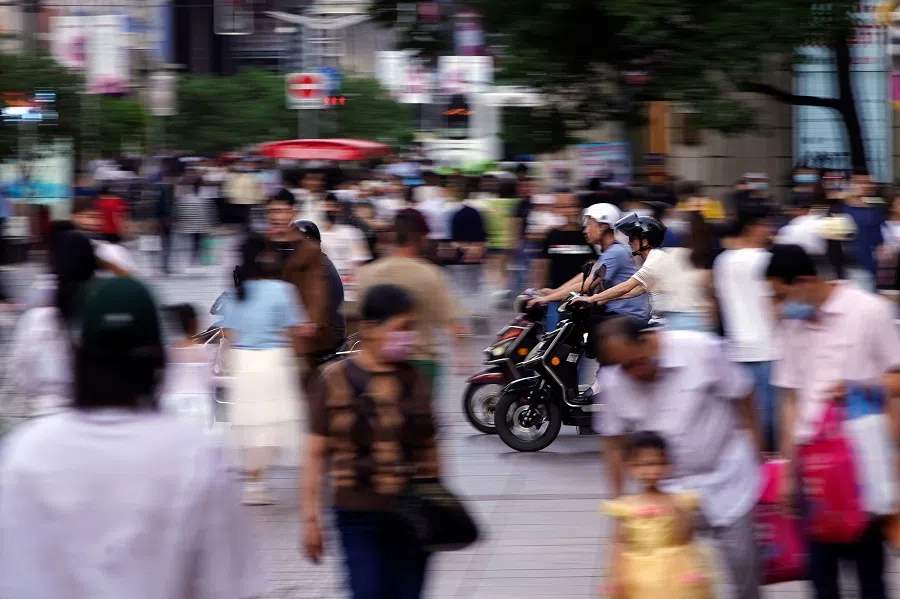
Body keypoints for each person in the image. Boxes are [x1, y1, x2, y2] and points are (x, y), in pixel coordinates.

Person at [0, 276, 263, 599]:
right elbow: (229, 584)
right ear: (158, 358)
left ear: (75, 354)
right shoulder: (196, 454)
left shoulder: (25, 456)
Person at [767, 243, 900, 599]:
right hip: (813, 469)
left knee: (868, 573)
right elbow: (790, 401)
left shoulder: (869, 310)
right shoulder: (791, 326)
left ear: (807, 281)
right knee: (821, 577)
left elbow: (897, 380)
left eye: (782, 296)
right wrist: (787, 471)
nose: (779, 306)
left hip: (861, 464)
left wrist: (860, 386)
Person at [597, 317, 762, 599]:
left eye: (636, 363)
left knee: (743, 568)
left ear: (649, 340)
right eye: (624, 368)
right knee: (670, 578)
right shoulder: (613, 382)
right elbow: (613, 443)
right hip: (666, 492)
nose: (632, 373)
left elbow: (743, 393)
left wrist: (755, 450)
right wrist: (620, 504)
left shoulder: (701, 349)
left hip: (726, 477)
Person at [303, 284, 439, 599]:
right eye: (401, 328)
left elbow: (430, 447)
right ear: (369, 328)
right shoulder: (332, 379)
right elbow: (315, 454)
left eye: (412, 328)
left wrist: (438, 507)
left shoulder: (415, 379)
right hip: (357, 516)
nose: (409, 336)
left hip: (411, 516)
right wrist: (311, 518)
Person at [223, 235, 309, 505]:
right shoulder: (282, 290)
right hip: (274, 362)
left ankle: (254, 480)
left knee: (251, 425)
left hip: (243, 363)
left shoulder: (234, 293)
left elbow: (228, 332)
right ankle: (256, 482)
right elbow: (298, 329)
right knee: (272, 425)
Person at [355, 210, 468, 391]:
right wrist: (462, 355)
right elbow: (455, 325)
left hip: (375, 362)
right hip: (420, 364)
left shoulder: (367, 273)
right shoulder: (431, 274)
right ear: (420, 237)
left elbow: (355, 319)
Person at [603, 431, 715, 599]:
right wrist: (616, 575)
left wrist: (681, 513)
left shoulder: (678, 501)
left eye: (657, 463)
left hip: (674, 576)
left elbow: (686, 539)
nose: (650, 471)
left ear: (667, 465)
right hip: (638, 578)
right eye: (642, 465)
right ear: (630, 467)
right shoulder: (626, 506)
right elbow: (619, 542)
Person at [8, 231, 96, 417]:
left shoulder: (35, 319)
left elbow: (19, 373)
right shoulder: (103, 315)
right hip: (96, 414)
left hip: (46, 414)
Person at [713, 202, 779, 452]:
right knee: (769, 419)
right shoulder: (767, 260)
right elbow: (772, 304)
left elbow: (718, 303)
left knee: (744, 418)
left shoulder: (723, 261)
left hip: (736, 347)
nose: (772, 229)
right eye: (768, 224)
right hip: (769, 348)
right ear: (753, 227)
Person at [530, 203, 649, 323]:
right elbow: (586, 275)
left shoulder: (615, 252)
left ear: (602, 226)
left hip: (627, 317)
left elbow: (589, 283)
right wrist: (555, 292)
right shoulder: (609, 251)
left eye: (588, 225)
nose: (585, 231)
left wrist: (547, 298)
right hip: (616, 313)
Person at [575, 213, 672, 325]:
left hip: (663, 325)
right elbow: (637, 290)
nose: (629, 242)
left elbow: (626, 287)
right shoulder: (655, 258)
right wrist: (603, 299)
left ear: (644, 241)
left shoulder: (655, 259)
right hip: (659, 323)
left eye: (633, 238)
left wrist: (592, 298)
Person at [530, 192, 598, 330]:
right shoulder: (552, 235)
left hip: (580, 297)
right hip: (554, 295)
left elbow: (594, 269)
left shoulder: (588, 236)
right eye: (564, 206)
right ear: (556, 209)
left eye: (573, 206)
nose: (570, 210)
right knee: (552, 333)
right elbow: (542, 265)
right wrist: (537, 290)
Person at [159, 303, 215, 432]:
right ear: (195, 323)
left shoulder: (168, 353)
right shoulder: (207, 351)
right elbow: (210, 379)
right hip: (200, 402)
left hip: (173, 401)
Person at [319, 193, 372, 304]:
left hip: (348, 292)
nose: (329, 209)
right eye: (326, 205)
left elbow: (360, 265)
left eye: (332, 206)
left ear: (339, 208)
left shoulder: (352, 233)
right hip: (323, 291)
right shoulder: (314, 234)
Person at [449, 182, 488, 330]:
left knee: (463, 288)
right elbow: (483, 236)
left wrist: (465, 249)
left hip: (461, 257)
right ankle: (479, 315)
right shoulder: (476, 212)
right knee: (477, 286)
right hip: (477, 256)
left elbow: (453, 241)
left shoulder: (454, 214)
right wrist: (477, 249)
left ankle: (468, 317)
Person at [175, 173, 215, 272]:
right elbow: (208, 214)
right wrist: (209, 226)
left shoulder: (185, 198)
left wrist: (181, 223)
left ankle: (192, 261)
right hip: (200, 226)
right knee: (199, 244)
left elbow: (181, 211)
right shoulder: (205, 199)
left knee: (192, 244)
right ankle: (197, 262)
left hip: (189, 226)